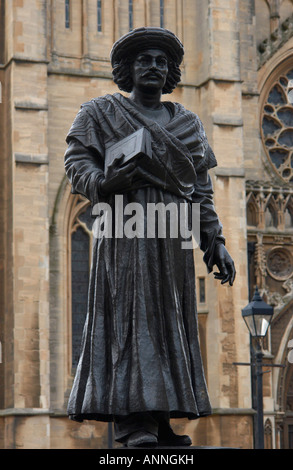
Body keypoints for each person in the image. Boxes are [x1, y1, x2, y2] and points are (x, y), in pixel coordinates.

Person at [64, 27, 236, 448]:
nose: (155, 67)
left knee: (167, 321)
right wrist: (104, 182)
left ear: (171, 71)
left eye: (162, 61)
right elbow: (76, 161)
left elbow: (200, 190)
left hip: (171, 236)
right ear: (127, 69)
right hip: (124, 231)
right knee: (130, 319)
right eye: (145, 60)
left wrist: (215, 241)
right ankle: (131, 422)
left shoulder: (187, 123)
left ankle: (158, 419)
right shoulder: (99, 113)